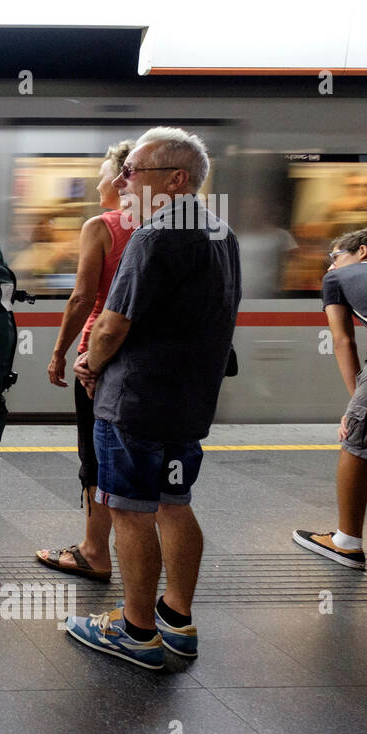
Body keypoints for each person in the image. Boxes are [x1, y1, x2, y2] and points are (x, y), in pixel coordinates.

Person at [68, 127, 240, 668]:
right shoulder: (220, 232)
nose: (122, 180)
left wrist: (89, 364)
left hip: (135, 403)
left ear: (176, 179)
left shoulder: (155, 234)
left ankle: (136, 630)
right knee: (174, 503)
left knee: (130, 511)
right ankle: (177, 619)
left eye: (133, 172)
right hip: (187, 404)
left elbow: (112, 326)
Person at [36, 141, 135, 581]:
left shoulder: (102, 226)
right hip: (146, 362)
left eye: (102, 174)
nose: (96, 183)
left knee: (95, 455)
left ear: (119, 179)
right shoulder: (164, 228)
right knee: (140, 458)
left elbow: (81, 298)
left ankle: (94, 551)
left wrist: (59, 351)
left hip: (99, 355)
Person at [292, 226, 367, 570]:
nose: (330, 266)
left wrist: (355, 404)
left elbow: (342, 342)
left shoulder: (337, 279)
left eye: (335, 257)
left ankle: (346, 542)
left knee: (356, 442)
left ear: (362, 252)